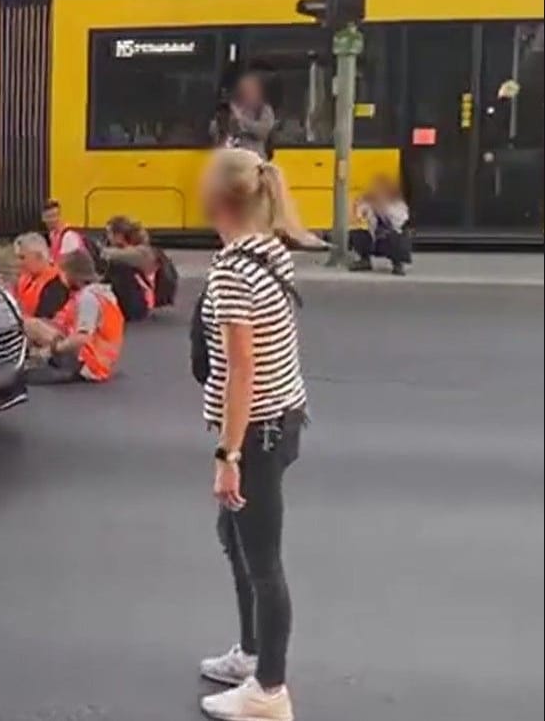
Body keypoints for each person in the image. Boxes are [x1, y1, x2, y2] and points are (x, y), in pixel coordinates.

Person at [195, 147, 307, 721]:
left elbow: (244, 365)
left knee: (262, 561)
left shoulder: (236, 268)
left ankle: (269, 690)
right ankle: (252, 653)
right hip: (281, 420)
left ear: (218, 200)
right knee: (235, 534)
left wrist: (228, 453)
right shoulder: (268, 251)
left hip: (256, 432)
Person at [22, 249, 124, 384]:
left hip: (88, 362)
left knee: (29, 325)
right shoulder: (104, 294)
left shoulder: (88, 298)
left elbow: (82, 337)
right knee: (36, 324)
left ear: (72, 273)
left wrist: (52, 350)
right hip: (102, 358)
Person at [349, 175, 412, 275]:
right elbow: (355, 218)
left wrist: (382, 207)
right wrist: (356, 205)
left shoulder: (397, 204)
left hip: (392, 237)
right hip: (375, 238)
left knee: (397, 238)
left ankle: (397, 264)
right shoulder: (370, 203)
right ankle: (365, 260)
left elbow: (399, 222)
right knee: (357, 233)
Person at [102, 215, 160, 321]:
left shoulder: (141, 252)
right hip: (139, 301)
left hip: (140, 303)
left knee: (118, 269)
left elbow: (107, 254)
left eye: (109, 233)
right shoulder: (139, 250)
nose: (107, 237)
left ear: (118, 235)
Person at [210, 73, 276, 161]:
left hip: (254, 160)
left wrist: (242, 119)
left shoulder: (262, 109)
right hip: (231, 159)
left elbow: (262, 131)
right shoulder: (229, 108)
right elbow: (215, 133)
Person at [12, 232, 70, 319]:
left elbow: (45, 322)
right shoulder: (26, 277)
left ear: (39, 256)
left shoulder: (56, 285)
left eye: (23, 258)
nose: (19, 263)